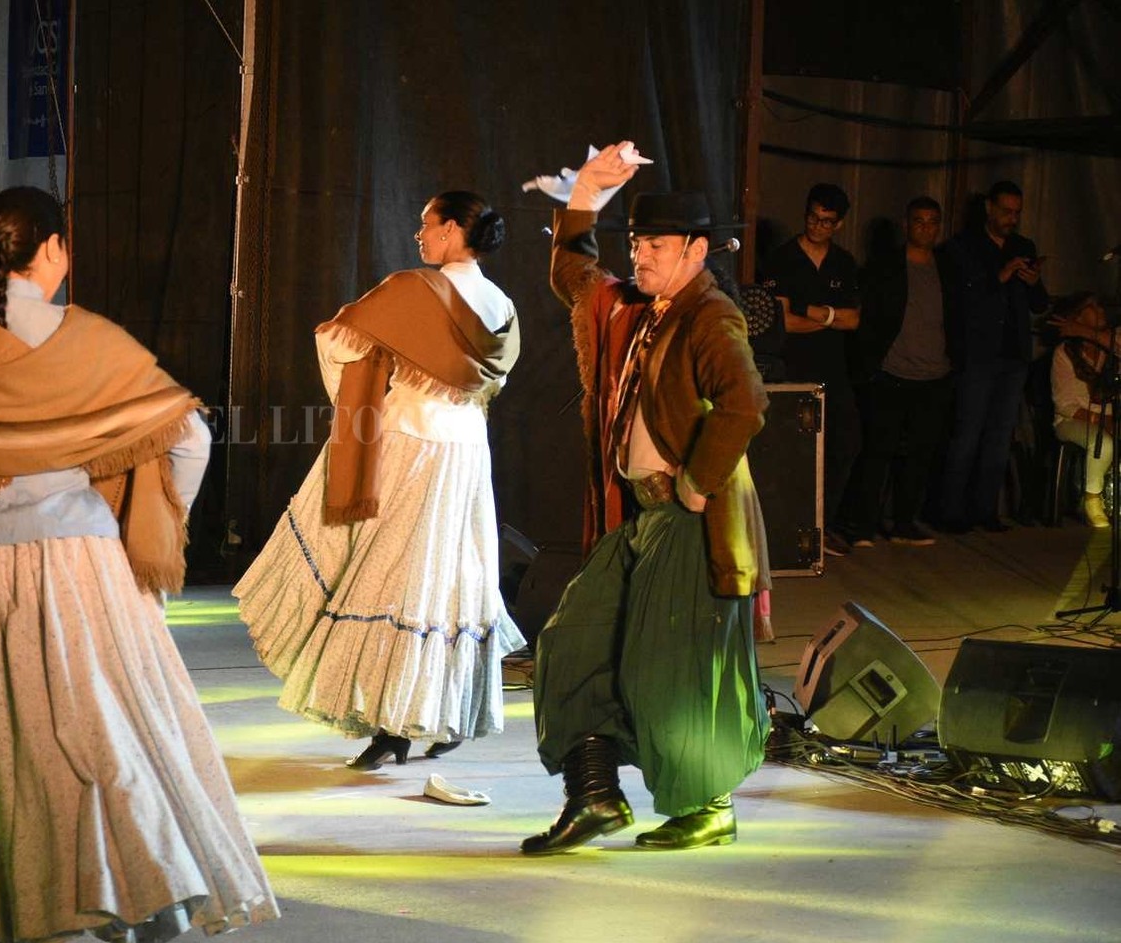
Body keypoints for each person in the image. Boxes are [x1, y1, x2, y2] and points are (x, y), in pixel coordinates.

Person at [0, 187, 276, 943]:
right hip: (75, 565)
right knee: (101, 733)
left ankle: (16, 913)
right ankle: (142, 890)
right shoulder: (90, 343)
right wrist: (140, 523)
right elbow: (188, 439)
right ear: (50, 249)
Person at [522, 143, 770, 855]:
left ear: (696, 249)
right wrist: (585, 197)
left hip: (690, 519)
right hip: (638, 515)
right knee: (573, 639)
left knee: (671, 665)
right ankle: (594, 794)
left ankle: (708, 806)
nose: (640, 256)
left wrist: (694, 485)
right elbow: (575, 275)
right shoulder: (637, 310)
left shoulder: (709, 315)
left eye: (655, 245)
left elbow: (744, 403)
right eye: (635, 244)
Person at [234, 190, 524, 769]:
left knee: (387, 573)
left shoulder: (414, 290)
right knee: (452, 576)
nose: (420, 235)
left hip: (411, 443)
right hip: (467, 451)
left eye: (426, 225)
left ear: (450, 230)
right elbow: (491, 383)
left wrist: (375, 373)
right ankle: (443, 709)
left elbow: (337, 339)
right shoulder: (503, 306)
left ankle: (391, 725)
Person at [937, 181, 1049, 532]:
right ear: (989, 208)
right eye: (1005, 211)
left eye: (1016, 213)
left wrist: (1033, 282)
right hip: (979, 354)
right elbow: (958, 303)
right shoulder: (963, 248)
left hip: (1013, 355)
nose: (1011, 219)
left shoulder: (1023, 246)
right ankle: (950, 512)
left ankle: (985, 510)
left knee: (1000, 436)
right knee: (967, 433)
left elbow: (1039, 305)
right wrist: (999, 277)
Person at [843, 196, 953, 546]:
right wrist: (871, 365)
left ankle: (904, 523)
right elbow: (869, 319)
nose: (926, 228)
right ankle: (863, 526)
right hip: (891, 373)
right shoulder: (886, 267)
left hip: (934, 375)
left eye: (932, 222)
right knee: (878, 452)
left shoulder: (946, 267)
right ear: (907, 225)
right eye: (919, 221)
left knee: (920, 455)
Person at [761, 183, 861, 555]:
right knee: (792, 450)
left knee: (846, 442)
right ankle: (789, 529)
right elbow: (784, 321)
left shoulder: (844, 262)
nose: (818, 226)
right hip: (792, 367)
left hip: (834, 368)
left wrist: (813, 312)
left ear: (839, 224)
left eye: (826, 221)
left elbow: (854, 320)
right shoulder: (782, 259)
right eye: (813, 218)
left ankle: (823, 525)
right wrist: (832, 318)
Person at [1048, 292, 1115, 528]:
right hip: (1071, 420)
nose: (1101, 311)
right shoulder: (1064, 353)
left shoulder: (1108, 349)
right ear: (1077, 316)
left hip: (1108, 417)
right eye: (1092, 307)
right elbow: (1065, 405)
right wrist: (1101, 420)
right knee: (1102, 442)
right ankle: (1092, 499)